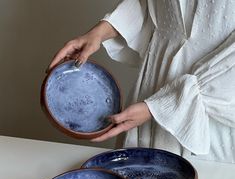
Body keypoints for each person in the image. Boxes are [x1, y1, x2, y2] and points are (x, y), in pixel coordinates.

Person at [49, 0, 235, 163]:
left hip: (214, 98)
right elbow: (151, 6)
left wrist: (161, 107)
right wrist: (99, 32)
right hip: (153, 83)